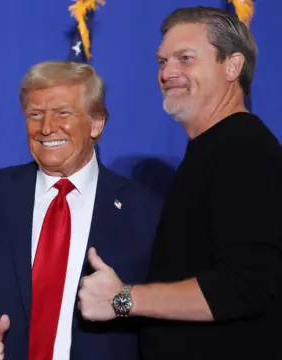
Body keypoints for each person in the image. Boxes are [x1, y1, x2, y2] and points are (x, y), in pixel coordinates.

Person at [0, 61, 163, 360]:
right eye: (35, 115)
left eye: (63, 113)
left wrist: (123, 299)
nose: (46, 128)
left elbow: (164, 312)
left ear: (96, 124)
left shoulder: (145, 209)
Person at [76, 6, 282, 360]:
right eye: (162, 62)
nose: (168, 72)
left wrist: (123, 298)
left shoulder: (243, 149)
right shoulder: (211, 149)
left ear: (232, 66)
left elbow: (246, 285)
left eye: (185, 58)